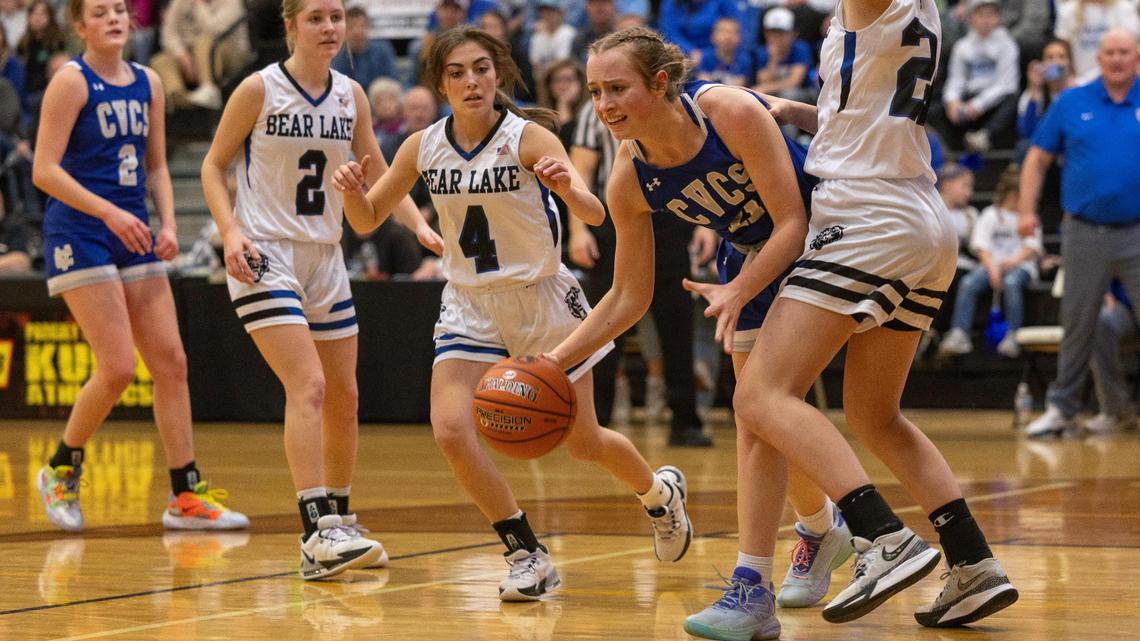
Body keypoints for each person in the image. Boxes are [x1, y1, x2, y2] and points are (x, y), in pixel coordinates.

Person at [688, 0, 1019, 633]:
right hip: (920, 219)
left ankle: (878, 536)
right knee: (873, 412)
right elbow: (869, 115)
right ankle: (972, 562)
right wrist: (799, 113)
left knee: (759, 395)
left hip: (865, 216)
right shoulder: (891, 19)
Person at [332, 26, 693, 601]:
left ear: (498, 74)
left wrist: (565, 189)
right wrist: (353, 189)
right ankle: (526, 551)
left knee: (583, 441)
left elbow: (597, 212)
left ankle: (657, 494)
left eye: (481, 68)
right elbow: (367, 219)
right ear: (440, 82)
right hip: (469, 302)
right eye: (456, 72)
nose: (471, 81)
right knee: (451, 430)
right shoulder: (421, 145)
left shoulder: (528, 137)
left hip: (542, 297)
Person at [547, 26, 857, 625]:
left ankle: (781, 568)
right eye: (594, 92)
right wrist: (550, 363)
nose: (605, 104)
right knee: (757, 417)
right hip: (749, 261)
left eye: (618, 87)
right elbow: (625, 298)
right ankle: (816, 534)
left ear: (660, 82)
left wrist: (740, 288)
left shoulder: (729, 112)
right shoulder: (629, 177)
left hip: (829, 240)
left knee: (765, 407)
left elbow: (792, 219)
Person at [201, 0, 439, 580]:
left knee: (344, 396)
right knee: (306, 384)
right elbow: (213, 165)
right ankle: (314, 530)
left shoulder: (350, 95)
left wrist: (421, 225)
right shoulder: (258, 90)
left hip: (325, 256)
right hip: (265, 253)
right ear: (290, 26)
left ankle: (337, 514)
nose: (330, 27)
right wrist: (229, 231)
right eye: (316, 18)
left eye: (336, 16)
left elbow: (382, 175)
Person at [32, 0, 247, 533]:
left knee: (171, 362)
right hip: (81, 231)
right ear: (79, 26)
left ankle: (185, 494)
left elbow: (157, 164)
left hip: (135, 230)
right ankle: (61, 467)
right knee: (119, 367)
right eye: (100, 12)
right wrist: (107, 211)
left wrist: (169, 224)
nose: (114, 18)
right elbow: (43, 169)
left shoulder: (148, 80)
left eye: (121, 9)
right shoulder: (71, 81)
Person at [1019, 29, 1140, 438]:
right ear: (1099, 58)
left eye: (1125, 52)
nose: (1118, 59)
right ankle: (1063, 409)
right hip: (1084, 231)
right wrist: (1025, 211)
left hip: (1138, 232)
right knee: (1078, 322)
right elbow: (1037, 160)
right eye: (1111, 53)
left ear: (1136, 57)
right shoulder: (1072, 102)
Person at [939, 164, 1042, 359]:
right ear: (1013, 195)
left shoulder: (1029, 216)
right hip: (992, 265)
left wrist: (1013, 261)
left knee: (1012, 283)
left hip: (1020, 266)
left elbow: (1031, 246)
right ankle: (959, 333)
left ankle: (1013, 334)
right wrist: (992, 267)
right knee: (968, 283)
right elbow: (981, 246)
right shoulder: (990, 214)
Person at [934, 0, 1020, 152]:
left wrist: (976, 106)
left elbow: (1006, 85)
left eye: (991, 14)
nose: (986, 20)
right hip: (969, 98)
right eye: (981, 14)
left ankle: (985, 136)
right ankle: (951, 152)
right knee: (936, 109)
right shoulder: (962, 46)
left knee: (1012, 99)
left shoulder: (1007, 44)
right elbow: (956, 79)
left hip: (994, 102)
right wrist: (952, 101)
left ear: (998, 18)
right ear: (970, 17)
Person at [1087, 282, 1137, 434]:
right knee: (1099, 321)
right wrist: (1105, 292)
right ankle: (1117, 410)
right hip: (1127, 307)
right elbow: (1104, 266)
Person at [1054, 0, 1139, 84]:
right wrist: (1070, 78)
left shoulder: (1124, 8)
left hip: (1119, 82)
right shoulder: (1068, 10)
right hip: (1080, 82)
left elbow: (1133, 46)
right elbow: (1063, 50)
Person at [331, 5, 398, 92]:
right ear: (344, 30)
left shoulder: (383, 50)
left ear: (368, 27)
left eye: (361, 26)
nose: (357, 32)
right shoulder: (338, 56)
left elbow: (393, 82)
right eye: (351, 27)